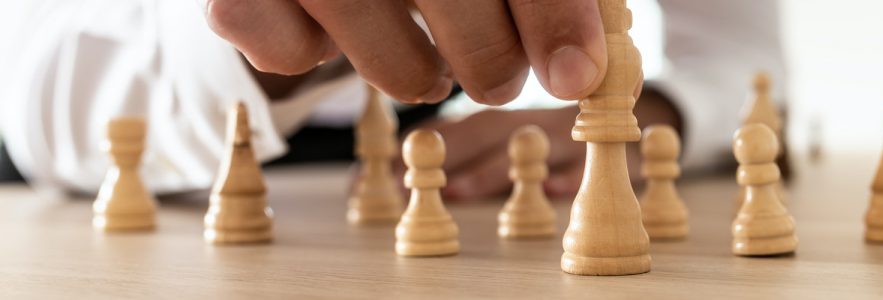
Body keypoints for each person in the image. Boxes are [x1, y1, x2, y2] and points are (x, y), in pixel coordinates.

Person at [0, 0, 786, 199]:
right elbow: (38, 101)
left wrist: (652, 115)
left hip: (415, 151)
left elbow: (745, 60)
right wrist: (269, 61)